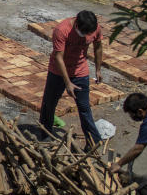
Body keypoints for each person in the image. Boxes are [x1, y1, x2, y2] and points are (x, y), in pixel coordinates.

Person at [39, 10, 103, 147]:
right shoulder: (62, 30)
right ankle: (45, 135)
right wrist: (67, 82)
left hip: (80, 71)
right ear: (77, 24)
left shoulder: (94, 28)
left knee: (84, 108)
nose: (86, 36)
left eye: (88, 33)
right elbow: (58, 57)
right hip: (57, 71)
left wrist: (98, 69)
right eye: (83, 32)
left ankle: (93, 141)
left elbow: (98, 47)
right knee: (49, 104)